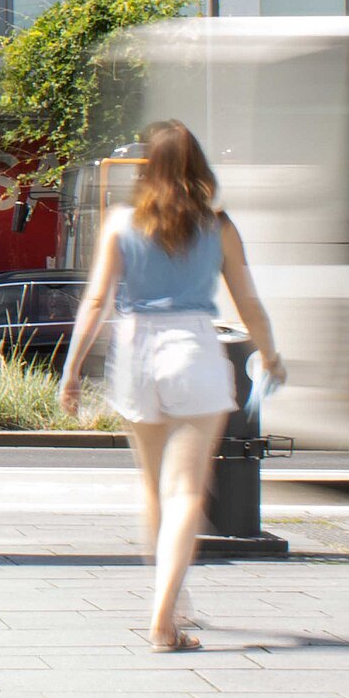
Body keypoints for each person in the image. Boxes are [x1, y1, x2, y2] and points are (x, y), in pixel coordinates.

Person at [61, 120, 286, 653]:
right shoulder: (219, 226)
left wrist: (70, 372)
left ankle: (175, 601)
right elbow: (247, 301)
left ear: (147, 167)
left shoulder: (120, 222)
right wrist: (270, 354)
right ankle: (164, 620)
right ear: (198, 166)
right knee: (187, 489)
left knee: (153, 488)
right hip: (193, 347)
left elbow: (95, 302)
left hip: (135, 350)